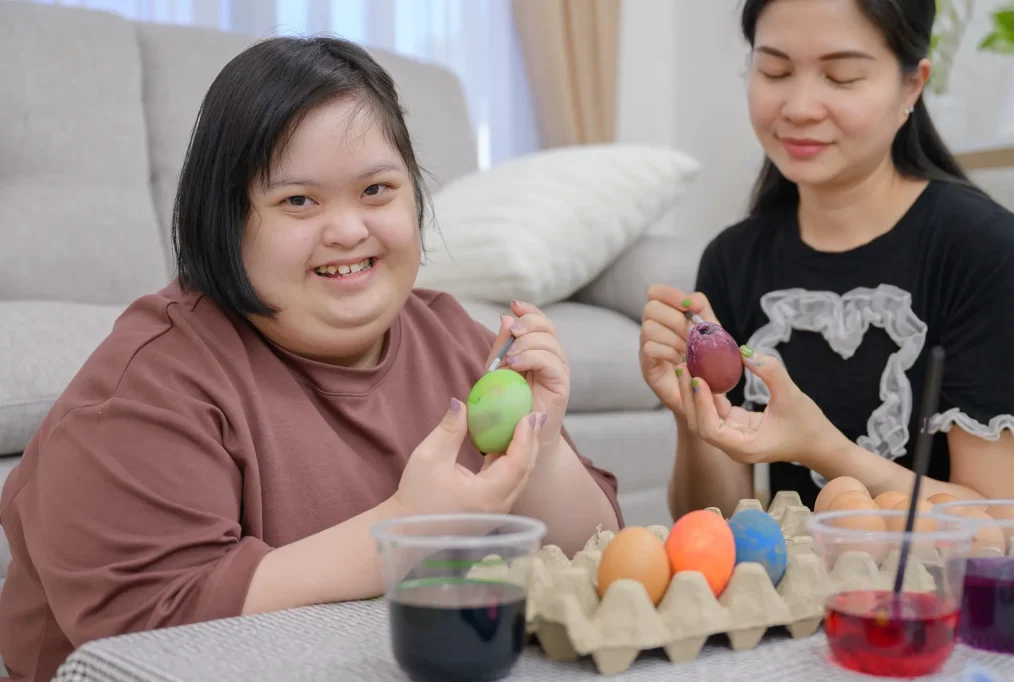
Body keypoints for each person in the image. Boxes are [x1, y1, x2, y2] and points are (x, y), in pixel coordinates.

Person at [0, 36, 623, 681]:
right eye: (298, 200)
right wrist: (408, 528)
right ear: (226, 218)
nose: (349, 230)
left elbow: (589, 552)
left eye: (377, 190)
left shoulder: (455, 338)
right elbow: (155, 632)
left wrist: (541, 444)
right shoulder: (154, 382)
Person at [640, 0, 1014, 519]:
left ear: (912, 85)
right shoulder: (733, 259)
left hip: (930, 597)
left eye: (841, 77)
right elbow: (715, 523)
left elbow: (1003, 523)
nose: (799, 106)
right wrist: (696, 412)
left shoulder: (987, 253)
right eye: (775, 69)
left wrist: (821, 447)